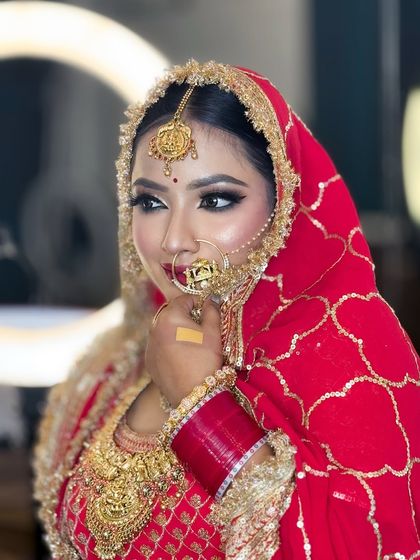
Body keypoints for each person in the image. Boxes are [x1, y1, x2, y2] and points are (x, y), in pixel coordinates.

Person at [34, 59, 420, 559]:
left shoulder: (355, 362)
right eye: (150, 203)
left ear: (284, 203)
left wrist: (200, 404)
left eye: (215, 201)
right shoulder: (118, 363)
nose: (175, 240)